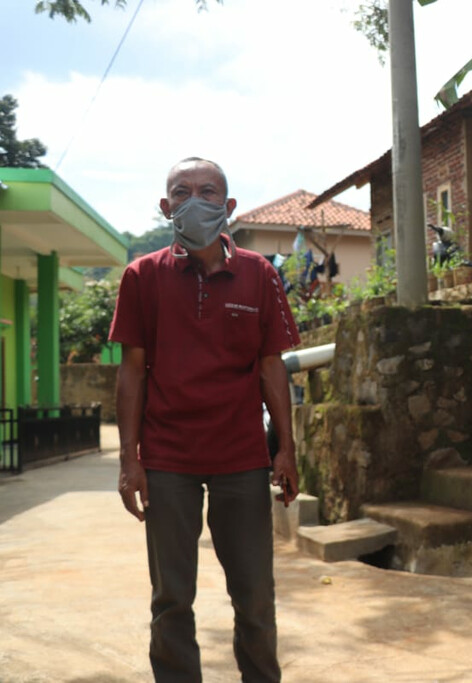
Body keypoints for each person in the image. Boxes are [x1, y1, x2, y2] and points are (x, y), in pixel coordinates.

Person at [109, 157, 300, 682]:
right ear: (165, 206)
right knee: (171, 598)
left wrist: (285, 448)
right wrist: (131, 461)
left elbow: (271, 368)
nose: (195, 201)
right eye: (183, 192)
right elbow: (132, 373)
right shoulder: (141, 277)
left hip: (241, 457)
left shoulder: (260, 275)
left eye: (208, 191)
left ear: (228, 206)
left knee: (255, 596)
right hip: (168, 459)